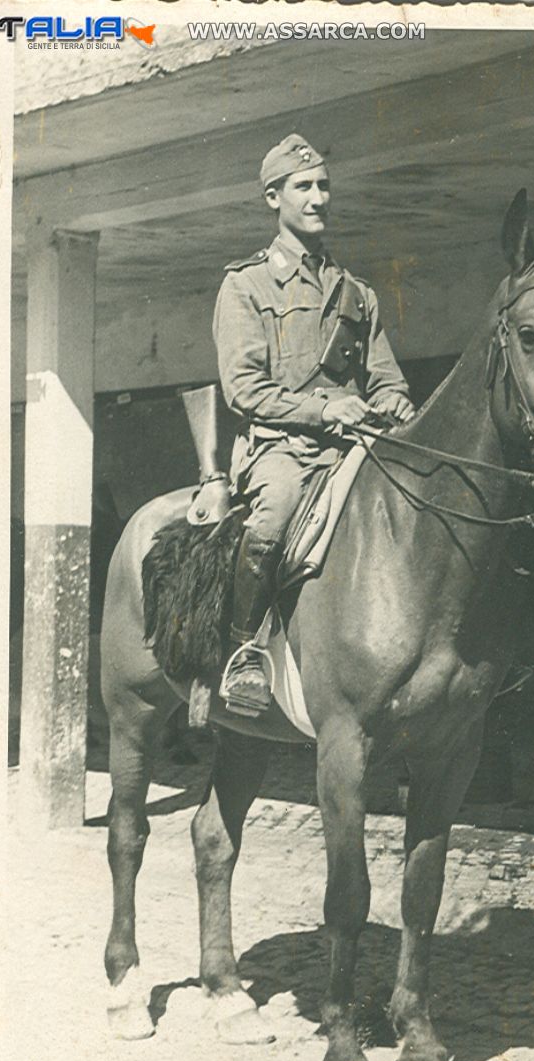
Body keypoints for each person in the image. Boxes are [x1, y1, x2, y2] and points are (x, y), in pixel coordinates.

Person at [213, 133, 415, 714]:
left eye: (323, 185)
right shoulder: (245, 285)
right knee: (274, 513)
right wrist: (325, 408)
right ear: (273, 198)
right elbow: (244, 389)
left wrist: (396, 402)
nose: (318, 197)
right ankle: (244, 648)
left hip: (354, 447)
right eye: (303, 187)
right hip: (282, 450)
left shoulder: (357, 292)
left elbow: (385, 378)